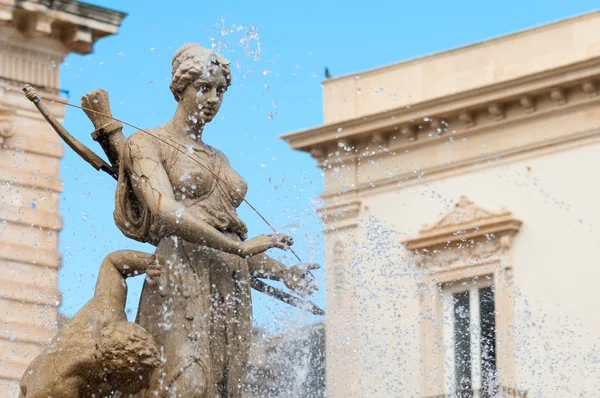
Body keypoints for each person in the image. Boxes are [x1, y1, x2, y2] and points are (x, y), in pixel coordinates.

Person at [112, 42, 319, 397]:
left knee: (224, 389)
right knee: (188, 383)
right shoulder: (146, 142)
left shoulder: (219, 158)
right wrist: (238, 250)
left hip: (229, 282)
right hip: (180, 271)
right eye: (203, 88)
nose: (212, 99)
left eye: (220, 90)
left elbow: (230, 235)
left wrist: (283, 273)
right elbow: (164, 210)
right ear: (180, 88)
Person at [19, 250, 162, 398]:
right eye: (140, 378)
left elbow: (113, 264)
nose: (146, 383)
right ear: (118, 373)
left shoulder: (108, 312)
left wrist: (150, 263)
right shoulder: (57, 388)